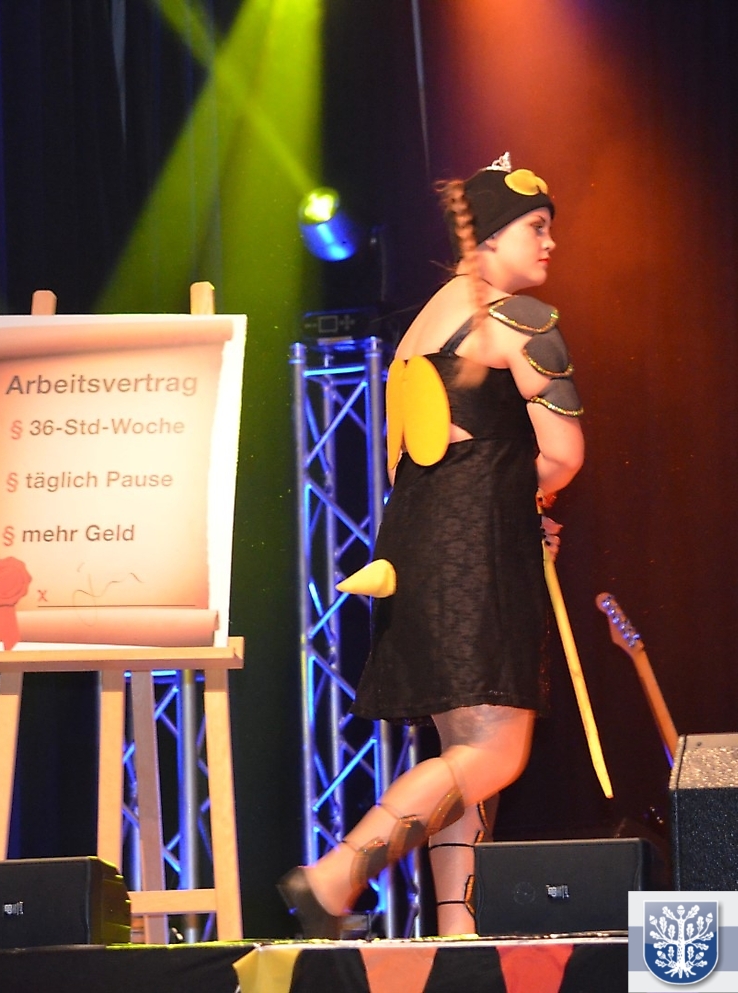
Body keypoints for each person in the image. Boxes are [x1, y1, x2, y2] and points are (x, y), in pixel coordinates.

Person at [278, 154, 584, 939]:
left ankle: (455, 929)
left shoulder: (419, 329)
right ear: (489, 237)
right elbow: (562, 454)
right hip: (476, 547)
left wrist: (507, 498)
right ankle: (335, 875)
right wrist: (523, 497)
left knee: (463, 753)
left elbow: (420, 459)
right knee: (495, 752)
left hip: (418, 542)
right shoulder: (517, 319)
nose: (550, 243)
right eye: (537, 226)